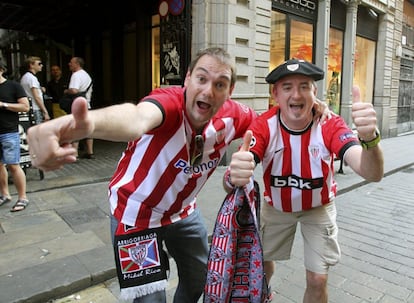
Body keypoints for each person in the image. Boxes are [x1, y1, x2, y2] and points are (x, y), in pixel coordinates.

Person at [26, 49, 327, 302]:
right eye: (202, 79)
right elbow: (135, 118)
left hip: (183, 213)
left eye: (220, 84)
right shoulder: (169, 103)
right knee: (150, 298)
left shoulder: (234, 115)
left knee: (201, 278)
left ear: (229, 92)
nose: (208, 91)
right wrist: (79, 125)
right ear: (187, 80)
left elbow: (270, 120)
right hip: (136, 214)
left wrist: (311, 107)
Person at [225, 59, 384, 303]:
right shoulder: (264, 125)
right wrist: (232, 176)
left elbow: (372, 173)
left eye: (304, 86)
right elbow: (239, 170)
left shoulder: (329, 123)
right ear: (275, 94)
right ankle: (262, 297)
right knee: (262, 267)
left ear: (314, 92)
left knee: (318, 280)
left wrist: (369, 139)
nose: (296, 94)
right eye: (287, 87)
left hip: (317, 208)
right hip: (276, 208)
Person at [0, 62, 31, 212]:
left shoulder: (13, 86)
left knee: (13, 165)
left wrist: (3, 105)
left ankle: (23, 197)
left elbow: (25, 106)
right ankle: (5, 195)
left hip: (8, 131)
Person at [65, 57, 94, 159]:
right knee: (88, 128)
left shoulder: (76, 75)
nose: (69, 64)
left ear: (77, 64)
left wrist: (66, 91)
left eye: (71, 63)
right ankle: (90, 152)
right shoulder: (86, 75)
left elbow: (74, 90)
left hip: (78, 106)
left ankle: (74, 154)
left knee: (75, 128)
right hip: (87, 104)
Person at [20, 56, 50, 124]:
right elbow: (36, 97)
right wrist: (45, 111)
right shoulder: (32, 78)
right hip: (35, 108)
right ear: (31, 65)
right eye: (39, 64)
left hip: (30, 108)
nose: (41, 65)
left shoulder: (25, 77)